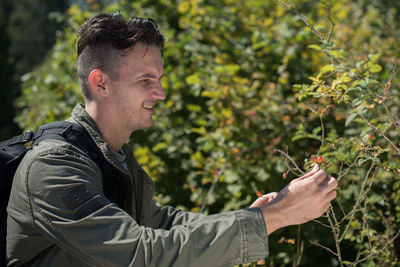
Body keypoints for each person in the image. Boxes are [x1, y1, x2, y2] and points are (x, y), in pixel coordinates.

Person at [6, 12, 338, 266]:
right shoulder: (53, 166)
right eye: (146, 80)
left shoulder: (109, 156)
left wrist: (253, 217)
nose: (161, 93)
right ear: (101, 83)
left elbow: (160, 223)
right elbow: (142, 253)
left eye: (160, 79)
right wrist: (275, 216)